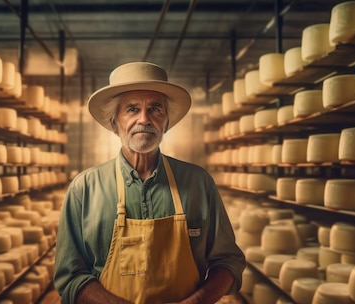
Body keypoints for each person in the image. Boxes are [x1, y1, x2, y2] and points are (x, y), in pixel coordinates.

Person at [53, 62, 245, 304]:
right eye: (132, 109)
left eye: (155, 109)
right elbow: (70, 275)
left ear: (166, 122)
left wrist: (197, 301)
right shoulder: (84, 188)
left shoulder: (198, 182)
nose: (144, 119)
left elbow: (227, 261)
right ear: (115, 123)